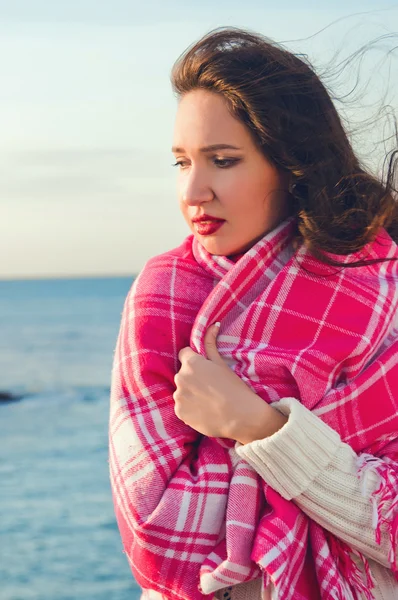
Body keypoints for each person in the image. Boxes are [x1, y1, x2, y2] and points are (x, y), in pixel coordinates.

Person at [109, 27, 398, 600]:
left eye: (222, 160)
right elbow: (152, 536)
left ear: (292, 165)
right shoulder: (162, 298)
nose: (193, 189)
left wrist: (260, 428)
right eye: (181, 162)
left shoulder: (382, 294)